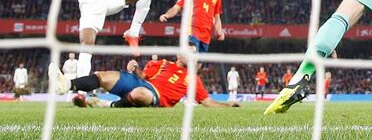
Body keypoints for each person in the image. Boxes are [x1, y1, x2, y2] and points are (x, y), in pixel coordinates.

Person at [48, 47, 240, 109]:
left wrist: (229, 105)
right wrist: (136, 67)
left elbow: (207, 102)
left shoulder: (193, 79)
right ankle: (66, 85)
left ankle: (106, 105)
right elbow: (144, 76)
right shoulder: (163, 63)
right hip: (141, 82)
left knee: (139, 94)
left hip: (155, 97)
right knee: (102, 76)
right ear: (179, 55)